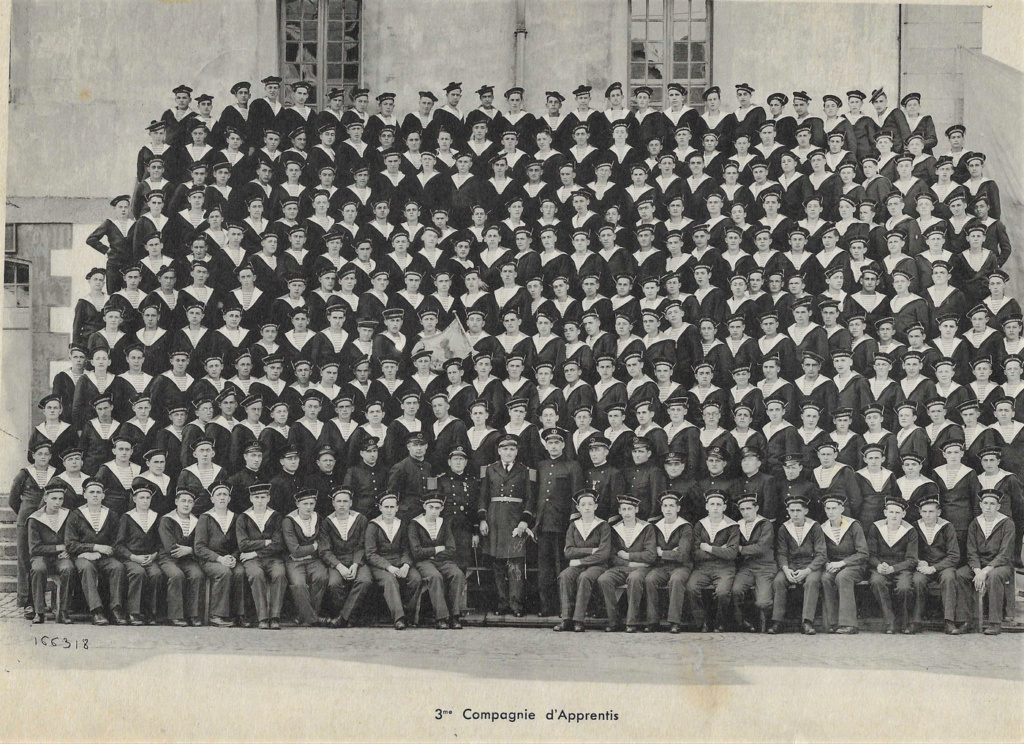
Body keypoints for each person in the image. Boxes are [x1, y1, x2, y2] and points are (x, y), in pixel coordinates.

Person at [477, 433, 536, 616]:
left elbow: (530, 499)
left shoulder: (525, 471)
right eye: (505, 449)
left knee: (515, 564)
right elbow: (483, 496)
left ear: (517, 451)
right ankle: (502, 604)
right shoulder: (490, 470)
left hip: (515, 520)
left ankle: (516, 605)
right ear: (499, 451)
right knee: (497, 565)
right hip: (494, 520)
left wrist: (524, 522)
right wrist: (482, 519)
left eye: (512, 449)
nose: (508, 452)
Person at [533, 427, 584, 617]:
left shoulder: (573, 466)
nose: (553, 446)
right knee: (544, 568)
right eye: (550, 443)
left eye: (557, 442)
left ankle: (565, 608)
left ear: (563, 445)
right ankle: (547, 607)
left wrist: (573, 521)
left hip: (563, 524)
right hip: (543, 524)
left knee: (562, 567)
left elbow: (576, 495)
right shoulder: (541, 465)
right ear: (545, 445)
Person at [66, 479, 128, 626]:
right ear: (85, 495)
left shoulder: (111, 515)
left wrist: (102, 552)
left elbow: (116, 541)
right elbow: (70, 544)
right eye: (91, 492)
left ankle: (115, 609)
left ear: (103, 496)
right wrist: (93, 548)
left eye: (98, 492)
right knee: (86, 568)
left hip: (105, 556)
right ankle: (96, 610)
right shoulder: (76, 515)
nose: (95, 495)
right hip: (83, 556)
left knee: (117, 567)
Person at [956, 489, 1016, 635]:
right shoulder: (975, 523)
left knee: (994, 576)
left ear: (998, 506)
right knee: (960, 574)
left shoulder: (1007, 523)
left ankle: (995, 622)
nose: (988, 507)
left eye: (992, 504)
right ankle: (966, 620)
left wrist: (985, 571)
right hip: (979, 565)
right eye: (985, 503)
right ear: (981, 505)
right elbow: (971, 551)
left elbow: (1005, 553)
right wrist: (977, 570)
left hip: (1000, 566)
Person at [9, 441, 56, 619]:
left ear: (50, 456)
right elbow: (13, 499)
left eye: (46, 454)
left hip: (47, 522)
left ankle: (41, 602)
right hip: (26, 522)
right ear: (33, 455)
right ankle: (27, 602)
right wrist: (25, 513)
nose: (43, 457)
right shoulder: (24, 474)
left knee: (40, 561)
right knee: (25, 560)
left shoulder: (55, 473)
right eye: (40, 454)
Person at [597, 494, 657, 632]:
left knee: (634, 578)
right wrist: (631, 564)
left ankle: (631, 622)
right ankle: (614, 621)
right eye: (623, 509)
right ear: (619, 511)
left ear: (636, 510)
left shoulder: (646, 528)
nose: (627, 513)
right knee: (604, 579)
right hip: (624, 567)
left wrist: (628, 555)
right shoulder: (615, 529)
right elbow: (611, 556)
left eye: (630, 509)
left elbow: (651, 555)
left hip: (642, 570)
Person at [407, 491, 467, 629]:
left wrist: (433, 554)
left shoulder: (444, 523)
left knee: (457, 574)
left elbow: (451, 548)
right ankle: (441, 617)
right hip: (424, 563)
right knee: (435, 577)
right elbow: (416, 552)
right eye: (431, 507)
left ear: (441, 509)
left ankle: (455, 616)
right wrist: (435, 550)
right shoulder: (415, 525)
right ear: (425, 507)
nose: (434, 511)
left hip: (443, 561)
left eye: (437, 508)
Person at [365, 492, 422, 630]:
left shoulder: (402, 525)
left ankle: (409, 615)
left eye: (392, 507)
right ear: (380, 508)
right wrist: (389, 567)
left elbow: (407, 548)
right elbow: (371, 553)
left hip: (400, 561)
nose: (389, 510)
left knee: (416, 578)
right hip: (380, 565)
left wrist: (406, 566)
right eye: (386, 507)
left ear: (397, 508)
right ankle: (399, 618)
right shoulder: (373, 526)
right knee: (390, 580)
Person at [771, 494, 826, 634]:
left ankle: (807, 622)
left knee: (812, 582)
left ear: (805, 511)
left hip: (810, 565)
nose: (795, 514)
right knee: (779, 581)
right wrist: (786, 569)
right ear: (788, 512)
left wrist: (807, 571)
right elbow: (781, 553)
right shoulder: (784, 528)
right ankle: (778, 622)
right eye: (791, 511)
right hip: (791, 565)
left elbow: (821, 554)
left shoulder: (814, 527)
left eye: (798, 510)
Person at [318, 486, 373, 628]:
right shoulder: (327, 522)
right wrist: (339, 566)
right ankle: (350, 618)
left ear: (350, 503)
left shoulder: (360, 519)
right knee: (334, 584)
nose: (342, 504)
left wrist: (355, 564)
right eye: (338, 501)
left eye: (345, 501)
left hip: (357, 560)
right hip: (337, 562)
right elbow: (325, 550)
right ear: (333, 504)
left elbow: (362, 545)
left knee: (364, 580)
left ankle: (343, 617)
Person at [686, 489, 740, 632]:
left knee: (722, 592)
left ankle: (719, 622)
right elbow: (695, 553)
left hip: (725, 567)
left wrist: (708, 548)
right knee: (691, 588)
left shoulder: (732, 526)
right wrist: (721, 550)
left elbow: (732, 553)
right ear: (706, 507)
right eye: (712, 504)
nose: (715, 507)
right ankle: (702, 622)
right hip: (702, 568)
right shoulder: (699, 525)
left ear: (724, 507)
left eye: (718, 504)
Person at [194, 483, 247, 628]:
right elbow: (199, 547)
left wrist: (233, 557)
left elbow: (239, 544)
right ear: (212, 499)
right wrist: (219, 559)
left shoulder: (235, 518)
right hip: (210, 559)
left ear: (229, 499)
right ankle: (216, 615)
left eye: (225, 495)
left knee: (240, 572)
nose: (222, 498)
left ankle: (239, 615)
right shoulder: (205, 518)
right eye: (219, 495)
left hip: (230, 558)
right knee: (224, 573)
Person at [912, 494, 965, 634]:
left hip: (943, 566)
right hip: (923, 566)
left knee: (949, 578)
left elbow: (954, 556)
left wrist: (934, 568)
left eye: (931, 512)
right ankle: (916, 621)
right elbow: (909, 551)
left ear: (938, 512)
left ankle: (949, 622)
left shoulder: (947, 527)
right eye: (924, 512)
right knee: (917, 580)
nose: (927, 515)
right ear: (919, 512)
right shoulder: (915, 527)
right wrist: (918, 561)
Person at [236, 482, 287, 630]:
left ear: (268, 498)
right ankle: (263, 617)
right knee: (257, 575)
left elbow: (278, 544)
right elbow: (243, 545)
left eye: (263, 497)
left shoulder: (276, 516)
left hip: (272, 558)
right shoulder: (243, 518)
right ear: (251, 499)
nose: (259, 500)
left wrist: (256, 551)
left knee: (280, 574)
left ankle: (275, 616)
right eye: (256, 497)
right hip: (251, 560)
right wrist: (265, 542)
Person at [114, 483, 165, 626]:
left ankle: (151, 612)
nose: (145, 501)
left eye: (148, 498)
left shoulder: (156, 517)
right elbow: (118, 545)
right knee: (138, 572)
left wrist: (154, 556)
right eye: (141, 497)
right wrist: (133, 557)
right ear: (134, 499)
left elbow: (161, 543)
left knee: (156, 574)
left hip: (150, 557)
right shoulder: (127, 517)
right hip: (131, 558)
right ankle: (133, 612)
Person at [867, 497, 920, 634]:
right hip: (881, 567)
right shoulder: (876, 527)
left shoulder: (910, 530)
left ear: (904, 514)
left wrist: (894, 568)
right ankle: (889, 622)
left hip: (901, 568)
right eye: (891, 512)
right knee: (877, 581)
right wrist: (878, 565)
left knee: (904, 587)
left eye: (898, 512)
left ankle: (904, 622)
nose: (894, 516)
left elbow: (912, 559)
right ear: (885, 513)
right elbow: (870, 554)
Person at [819, 494, 869, 634]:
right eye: (828, 509)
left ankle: (849, 624)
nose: (831, 512)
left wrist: (842, 563)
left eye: (834, 508)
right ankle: (832, 622)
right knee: (825, 577)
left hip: (855, 565)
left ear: (842, 508)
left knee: (843, 577)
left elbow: (863, 553)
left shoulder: (853, 525)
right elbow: (821, 552)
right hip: (834, 565)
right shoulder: (823, 528)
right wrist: (828, 563)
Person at [26, 486, 75, 625]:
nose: (57, 502)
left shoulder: (68, 515)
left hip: (62, 556)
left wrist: (69, 551)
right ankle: (39, 611)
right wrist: (58, 547)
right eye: (53, 498)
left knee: (68, 569)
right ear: (45, 498)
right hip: (41, 556)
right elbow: (34, 548)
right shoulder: (35, 518)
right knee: (38, 569)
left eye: (60, 499)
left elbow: (73, 537)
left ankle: (64, 611)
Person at [281, 488, 329, 627]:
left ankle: (304, 615)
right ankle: (314, 619)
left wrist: (312, 549)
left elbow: (323, 542)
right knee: (299, 584)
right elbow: (294, 551)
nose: (309, 507)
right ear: (297, 504)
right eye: (305, 504)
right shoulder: (289, 521)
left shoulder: (317, 518)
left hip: (314, 559)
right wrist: (314, 546)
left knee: (322, 577)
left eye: (311, 504)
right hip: (294, 561)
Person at [158, 488, 206, 627]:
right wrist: (186, 550)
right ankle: (176, 616)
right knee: (177, 575)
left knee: (197, 574)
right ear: (176, 502)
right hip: (168, 558)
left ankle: (194, 614)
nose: (186, 504)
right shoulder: (167, 520)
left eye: (190, 502)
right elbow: (169, 546)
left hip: (188, 558)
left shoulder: (197, 522)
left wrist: (190, 550)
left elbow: (199, 543)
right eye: (183, 501)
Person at [730, 492, 776, 633]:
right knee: (735, 590)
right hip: (747, 567)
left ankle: (767, 624)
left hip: (765, 567)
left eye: (748, 508)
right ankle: (743, 622)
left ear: (756, 508)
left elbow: (762, 547)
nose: (745, 512)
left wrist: (740, 549)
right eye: (742, 509)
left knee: (763, 602)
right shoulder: (737, 525)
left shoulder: (765, 524)